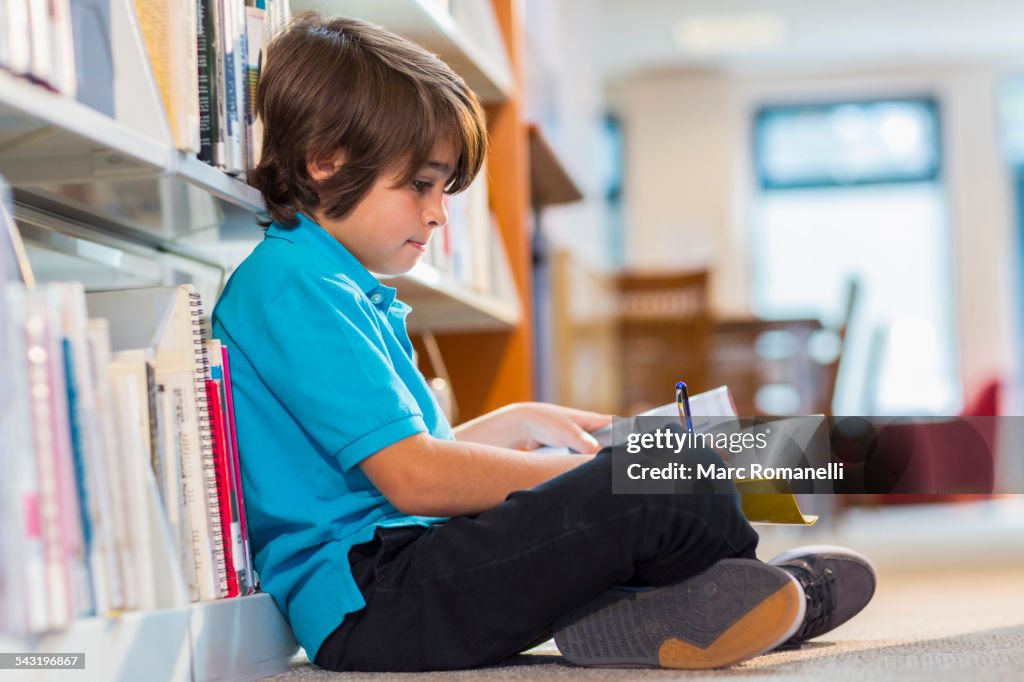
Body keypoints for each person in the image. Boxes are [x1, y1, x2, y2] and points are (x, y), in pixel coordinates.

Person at [211, 12, 876, 673]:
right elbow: (416, 480)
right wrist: (585, 476)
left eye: (444, 189)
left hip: (399, 574)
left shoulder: (328, 283)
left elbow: (394, 468)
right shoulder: (294, 284)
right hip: (376, 600)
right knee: (666, 479)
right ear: (325, 161)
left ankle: (719, 600)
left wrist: (518, 423)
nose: (439, 212)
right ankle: (739, 595)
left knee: (677, 469)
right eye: (420, 184)